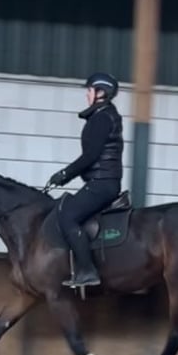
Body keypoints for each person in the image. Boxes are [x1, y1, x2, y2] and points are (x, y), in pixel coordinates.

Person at [47, 72, 124, 288]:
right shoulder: (106, 115)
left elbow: (90, 156)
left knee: (67, 216)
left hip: (101, 183)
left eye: (89, 91)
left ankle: (88, 270)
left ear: (100, 93)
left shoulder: (101, 118)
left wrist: (65, 174)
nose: (86, 95)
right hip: (103, 181)